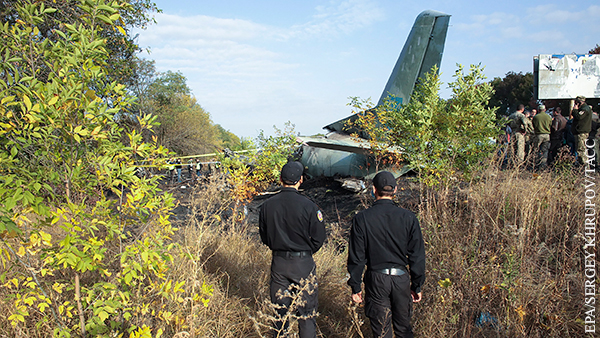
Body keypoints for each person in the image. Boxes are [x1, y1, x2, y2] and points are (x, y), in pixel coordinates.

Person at [347, 171, 426, 338]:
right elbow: (417, 255)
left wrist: (355, 286)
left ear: (374, 189)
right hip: (401, 279)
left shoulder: (362, 218)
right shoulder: (409, 218)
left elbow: (357, 256)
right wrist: (417, 285)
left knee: (381, 331)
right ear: (395, 190)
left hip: (376, 280)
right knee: (404, 330)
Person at [259, 161, 326, 338]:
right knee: (306, 316)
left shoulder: (267, 205)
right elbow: (319, 238)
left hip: (279, 264)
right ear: (301, 180)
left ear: (280, 179)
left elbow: (264, 237)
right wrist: (305, 251)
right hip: (303, 264)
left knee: (279, 317)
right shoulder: (309, 206)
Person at [571, 96, 592, 164]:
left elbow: (579, 117)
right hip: (580, 132)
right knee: (580, 150)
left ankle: (585, 168)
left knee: (581, 150)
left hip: (581, 132)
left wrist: (575, 110)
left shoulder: (584, 109)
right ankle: (582, 167)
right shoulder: (584, 108)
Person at [532, 104, 552, 169]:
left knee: (536, 149)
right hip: (547, 135)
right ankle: (543, 164)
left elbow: (534, 126)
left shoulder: (536, 117)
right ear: (545, 110)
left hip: (538, 135)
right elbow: (550, 125)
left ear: (538, 110)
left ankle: (537, 163)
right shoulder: (548, 117)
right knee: (545, 150)